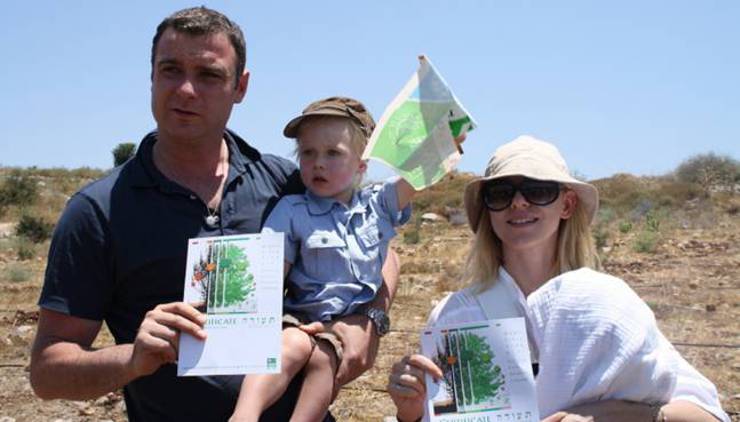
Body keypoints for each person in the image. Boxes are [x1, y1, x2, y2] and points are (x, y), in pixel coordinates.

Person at [29, 7, 398, 422]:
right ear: (151, 76)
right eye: (171, 70)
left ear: (240, 87)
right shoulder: (98, 210)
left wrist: (369, 318)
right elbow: (47, 373)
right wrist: (132, 358)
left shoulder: (285, 182)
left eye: (209, 75)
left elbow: (380, 249)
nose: (186, 90)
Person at [387, 136, 730, 422]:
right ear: (488, 210)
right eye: (501, 192)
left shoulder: (607, 305)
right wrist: (411, 412)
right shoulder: (457, 315)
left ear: (567, 205)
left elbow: (708, 415)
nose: (518, 203)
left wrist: (608, 415)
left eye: (538, 190)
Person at [230, 97, 420, 421]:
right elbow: (268, 273)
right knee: (289, 346)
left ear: (361, 164)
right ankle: (243, 415)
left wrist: (441, 146)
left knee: (323, 359)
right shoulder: (291, 209)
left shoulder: (377, 204)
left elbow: (417, 176)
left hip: (345, 327)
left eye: (333, 153)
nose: (318, 162)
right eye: (308, 153)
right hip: (301, 317)